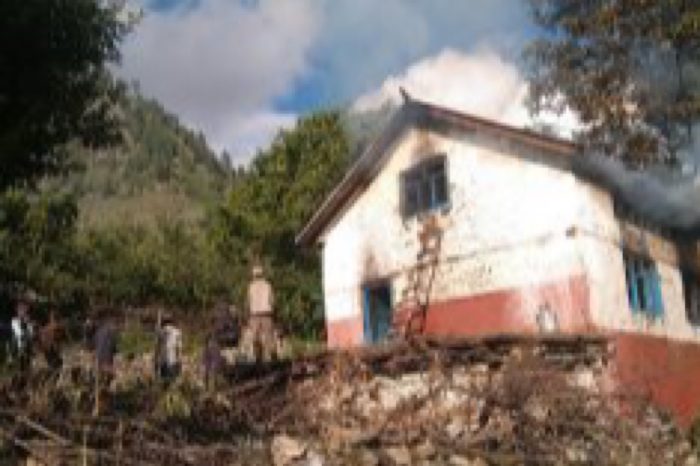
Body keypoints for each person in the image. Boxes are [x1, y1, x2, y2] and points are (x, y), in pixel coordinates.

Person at [247, 264, 276, 361]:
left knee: (255, 337)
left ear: (254, 275)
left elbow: (249, 300)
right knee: (269, 336)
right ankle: (272, 356)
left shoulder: (251, 286)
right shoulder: (268, 285)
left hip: (254, 314)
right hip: (266, 313)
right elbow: (272, 300)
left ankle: (258, 357)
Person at [10, 295, 34, 373]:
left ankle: (30, 353)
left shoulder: (27, 317)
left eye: (24, 309)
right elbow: (18, 332)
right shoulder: (15, 320)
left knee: (30, 334)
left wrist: (28, 323)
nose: (23, 310)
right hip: (18, 326)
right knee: (18, 336)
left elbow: (30, 331)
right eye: (20, 309)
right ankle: (15, 354)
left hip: (26, 335)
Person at [156, 316, 182, 383]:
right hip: (173, 359)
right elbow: (178, 347)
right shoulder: (177, 332)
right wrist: (179, 359)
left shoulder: (160, 332)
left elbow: (157, 347)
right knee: (172, 379)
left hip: (163, 359)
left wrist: (156, 359)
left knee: (164, 378)